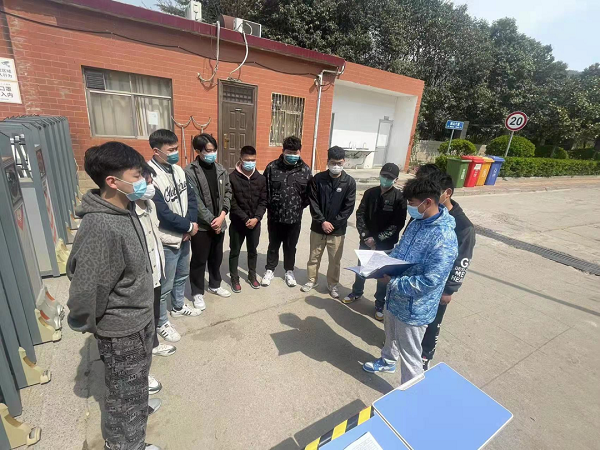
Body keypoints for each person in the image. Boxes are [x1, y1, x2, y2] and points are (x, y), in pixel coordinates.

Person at [66, 142, 162, 450]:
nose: (143, 181)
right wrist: (91, 324)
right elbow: (85, 290)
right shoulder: (101, 225)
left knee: (133, 389)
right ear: (112, 181)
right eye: (137, 175)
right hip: (122, 331)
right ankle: (124, 444)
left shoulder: (125, 209)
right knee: (124, 398)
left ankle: (135, 423)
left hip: (139, 320)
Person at [363, 177, 458, 385]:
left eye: (412, 203)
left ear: (428, 202)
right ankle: (388, 361)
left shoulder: (444, 238)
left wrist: (393, 282)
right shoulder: (417, 223)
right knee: (390, 337)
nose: (409, 207)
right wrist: (382, 263)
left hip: (415, 310)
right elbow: (401, 250)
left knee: (411, 356)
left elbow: (431, 281)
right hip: (394, 300)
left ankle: (411, 392)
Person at [148, 129, 201, 346]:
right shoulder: (150, 175)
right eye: (170, 150)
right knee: (164, 284)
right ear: (156, 151)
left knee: (182, 275)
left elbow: (191, 198)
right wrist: (187, 226)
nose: (175, 153)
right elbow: (161, 212)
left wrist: (191, 225)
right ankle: (162, 322)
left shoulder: (179, 170)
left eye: (176, 148)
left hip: (185, 236)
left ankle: (178, 307)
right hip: (167, 239)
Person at [419, 170, 475, 370]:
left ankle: (425, 354)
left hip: (440, 285)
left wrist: (449, 289)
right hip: (420, 277)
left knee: (433, 321)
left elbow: (462, 260)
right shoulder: (426, 213)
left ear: (447, 193)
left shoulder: (463, 226)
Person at [343, 163, 407, 319]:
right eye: (384, 175)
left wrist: (377, 239)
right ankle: (356, 292)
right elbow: (360, 215)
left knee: (382, 276)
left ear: (396, 179)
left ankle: (380, 303)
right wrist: (366, 236)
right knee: (362, 270)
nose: (385, 179)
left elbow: (397, 224)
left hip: (385, 245)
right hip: (366, 242)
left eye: (390, 177)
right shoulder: (370, 193)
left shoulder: (399, 198)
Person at [135, 163, 177, 396]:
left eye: (151, 181)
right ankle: (139, 374)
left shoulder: (149, 204)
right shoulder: (127, 212)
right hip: (140, 280)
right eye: (146, 181)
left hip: (155, 271)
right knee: (139, 325)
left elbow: (155, 236)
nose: (150, 186)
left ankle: (153, 346)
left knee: (152, 315)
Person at [301, 146, 356, 299]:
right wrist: (322, 221)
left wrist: (334, 224)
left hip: (337, 231)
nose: (336, 166)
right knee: (314, 257)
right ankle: (311, 280)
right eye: (333, 163)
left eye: (339, 163)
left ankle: (332, 284)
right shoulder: (318, 179)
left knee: (334, 260)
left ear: (344, 162)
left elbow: (348, 208)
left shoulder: (349, 182)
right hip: (318, 228)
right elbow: (313, 202)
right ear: (328, 162)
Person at [185, 133, 233, 305]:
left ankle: (214, 284)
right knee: (199, 259)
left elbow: (228, 192)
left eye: (214, 150)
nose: (212, 154)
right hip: (203, 226)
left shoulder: (220, 169)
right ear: (198, 151)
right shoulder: (190, 172)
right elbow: (195, 201)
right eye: (208, 150)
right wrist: (213, 221)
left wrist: (222, 215)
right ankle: (197, 291)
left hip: (219, 222)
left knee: (216, 257)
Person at [262, 136, 312, 287]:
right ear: (283, 151)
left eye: (295, 152)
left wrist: (297, 207)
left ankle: (289, 271)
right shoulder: (272, 168)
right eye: (289, 152)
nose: (292, 155)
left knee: (291, 247)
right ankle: (270, 270)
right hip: (275, 217)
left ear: (299, 152)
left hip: (294, 218)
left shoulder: (305, 170)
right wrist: (272, 206)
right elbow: (265, 190)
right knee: (273, 245)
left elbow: (308, 195)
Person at [228, 145, 268, 292]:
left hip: (255, 224)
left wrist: (257, 218)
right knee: (234, 251)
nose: (250, 162)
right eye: (247, 160)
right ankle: (234, 277)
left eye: (253, 160)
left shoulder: (261, 179)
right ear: (241, 159)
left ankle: (252, 275)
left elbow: (264, 201)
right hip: (238, 223)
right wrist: (245, 219)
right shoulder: (232, 178)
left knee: (252, 251)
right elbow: (231, 202)